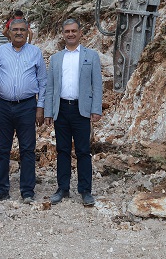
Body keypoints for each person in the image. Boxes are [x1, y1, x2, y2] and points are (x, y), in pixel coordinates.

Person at [44, 19, 102, 207]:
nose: (70, 34)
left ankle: (85, 190)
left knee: (83, 151)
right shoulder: (55, 58)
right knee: (62, 150)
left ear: (80, 33)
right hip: (61, 109)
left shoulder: (91, 56)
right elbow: (50, 86)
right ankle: (63, 188)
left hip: (81, 109)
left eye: (74, 31)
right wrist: (48, 111)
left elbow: (97, 85)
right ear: (63, 34)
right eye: (67, 31)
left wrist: (96, 109)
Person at [0, 18, 46, 203]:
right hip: (3, 105)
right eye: (15, 29)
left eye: (22, 29)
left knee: (27, 149)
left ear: (27, 31)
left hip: (27, 106)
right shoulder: (0, 52)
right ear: (9, 32)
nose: (18, 32)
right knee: (2, 150)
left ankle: (27, 190)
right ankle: (1, 188)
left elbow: (43, 82)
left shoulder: (35, 52)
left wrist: (40, 107)